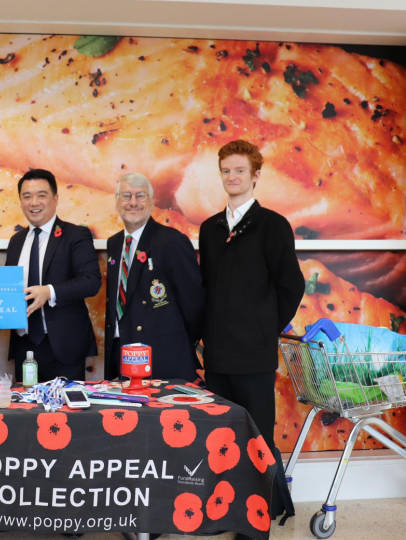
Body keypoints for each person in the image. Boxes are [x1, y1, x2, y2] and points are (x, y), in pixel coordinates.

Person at [199, 140, 305, 535]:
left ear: (256, 175)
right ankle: (227, 511)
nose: (232, 177)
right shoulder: (209, 228)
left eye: (239, 170)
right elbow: (206, 288)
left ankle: (260, 516)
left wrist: (264, 329)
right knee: (221, 439)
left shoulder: (273, 225)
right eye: (226, 170)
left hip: (254, 355)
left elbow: (290, 286)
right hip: (217, 355)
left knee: (258, 437)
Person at [104, 173, 204, 382]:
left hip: (162, 360)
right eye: (126, 196)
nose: (133, 203)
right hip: (122, 357)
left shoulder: (172, 241)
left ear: (151, 201)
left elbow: (194, 304)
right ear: (116, 202)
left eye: (140, 196)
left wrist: (176, 343)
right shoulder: (114, 244)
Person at [6, 169, 101, 382]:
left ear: (55, 199)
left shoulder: (75, 235)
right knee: (25, 412)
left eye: (41, 195)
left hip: (63, 348)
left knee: (65, 414)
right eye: (27, 196)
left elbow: (91, 281)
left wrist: (49, 292)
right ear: (20, 201)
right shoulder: (16, 241)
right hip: (24, 346)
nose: (34, 202)